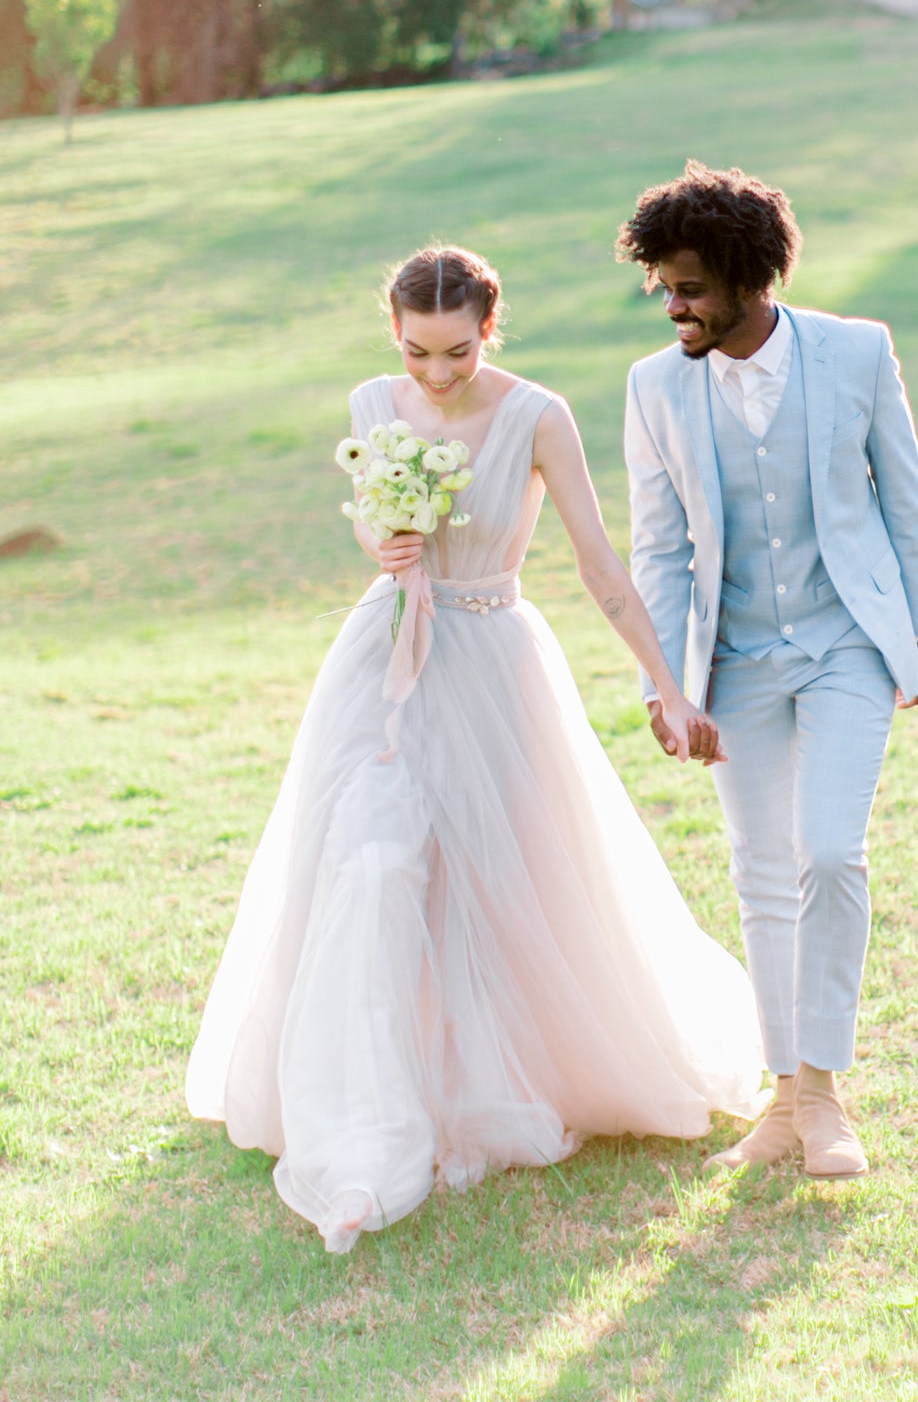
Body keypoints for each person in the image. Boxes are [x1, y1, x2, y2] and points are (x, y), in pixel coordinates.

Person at [186, 245, 763, 1253]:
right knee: (369, 861)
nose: (438, 373)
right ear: (394, 335)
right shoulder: (374, 402)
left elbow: (598, 560)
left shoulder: (537, 415)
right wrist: (386, 545)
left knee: (500, 874)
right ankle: (362, 1116)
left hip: (493, 658)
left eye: (456, 351)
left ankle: (482, 1080)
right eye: (418, 352)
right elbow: (376, 522)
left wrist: (666, 685)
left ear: (490, 328)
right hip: (383, 656)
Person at [618, 162, 918, 1180]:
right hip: (736, 659)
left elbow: (904, 494)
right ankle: (786, 1094)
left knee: (831, 852)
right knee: (763, 871)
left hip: (847, 640)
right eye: (663, 288)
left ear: (749, 277)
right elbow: (658, 549)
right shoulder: (653, 385)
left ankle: (826, 1089)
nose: (674, 305)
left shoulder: (855, 351)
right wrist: (667, 685)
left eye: (691, 287)